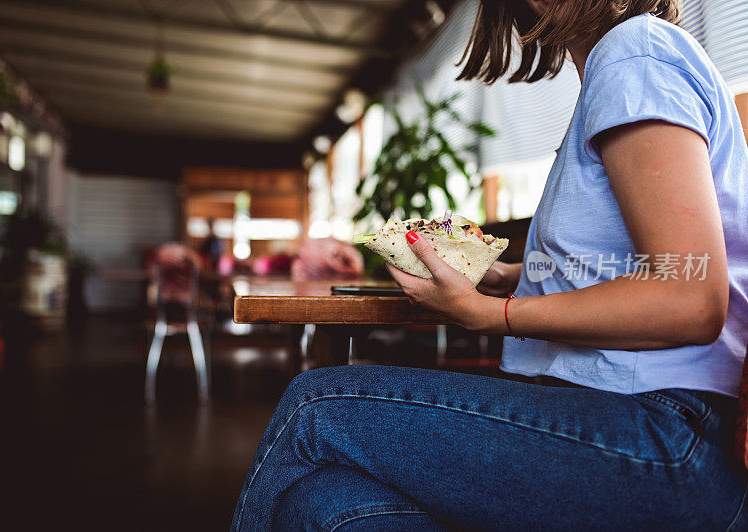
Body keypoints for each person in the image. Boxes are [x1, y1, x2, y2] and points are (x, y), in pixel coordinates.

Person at [231, 0, 748, 529]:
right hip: (632, 420)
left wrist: (491, 314)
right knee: (322, 506)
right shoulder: (622, 69)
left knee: (312, 407)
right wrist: (509, 276)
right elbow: (622, 267)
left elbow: (690, 299)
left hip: (667, 434)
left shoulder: (634, 53)